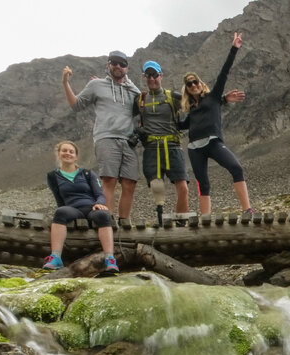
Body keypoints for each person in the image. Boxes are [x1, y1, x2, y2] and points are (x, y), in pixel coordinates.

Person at [180, 32, 253, 216]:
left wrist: (234, 49)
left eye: (195, 82)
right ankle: (206, 218)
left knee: (236, 168)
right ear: (187, 89)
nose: (193, 85)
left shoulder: (213, 97)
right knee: (203, 184)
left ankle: (247, 210)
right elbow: (182, 125)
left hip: (213, 142)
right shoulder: (191, 110)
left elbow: (224, 73)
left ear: (200, 83)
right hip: (194, 149)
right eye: (189, 84)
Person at [62, 50, 139, 224]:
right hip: (106, 138)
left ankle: (124, 222)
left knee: (130, 183)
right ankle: (107, 222)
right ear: (108, 65)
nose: (118, 66)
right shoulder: (96, 85)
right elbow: (76, 105)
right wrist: (65, 83)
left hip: (129, 140)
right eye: (114, 62)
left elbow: (143, 103)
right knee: (109, 180)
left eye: (122, 64)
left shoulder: (132, 90)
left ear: (127, 68)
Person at [42, 141, 119, 273]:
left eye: (71, 152)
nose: (68, 154)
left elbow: (100, 194)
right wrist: (64, 215)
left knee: (103, 215)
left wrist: (99, 203)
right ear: (58, 154)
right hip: (72, 209)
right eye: (64, 151)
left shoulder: (87, 173)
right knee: (60, 212)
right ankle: (55, 258)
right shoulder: (52, 176)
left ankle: (110, 259)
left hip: (91, 207)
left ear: (76, 156)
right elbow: (59, 198)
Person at [132, 60, 188, 225]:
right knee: (157, 186)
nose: (152, 78)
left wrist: (222, 99)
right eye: (148, 75)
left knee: (183, 187)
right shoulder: (140, 99)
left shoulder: (173, 97)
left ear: (161, 75)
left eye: (154, 75)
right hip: (151, 148)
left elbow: (196, 102)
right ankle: (160, 219)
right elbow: (124, 113)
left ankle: (181, 222)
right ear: (144, 77)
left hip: (173, 146)